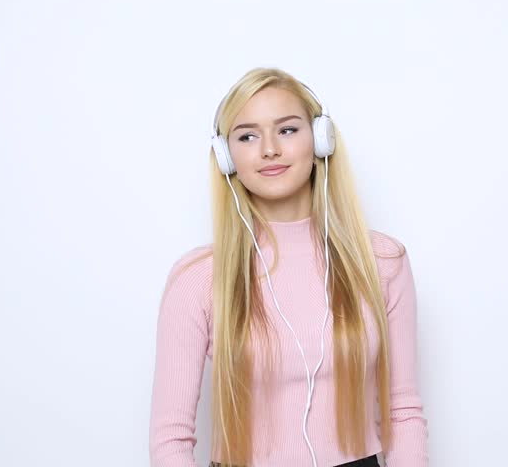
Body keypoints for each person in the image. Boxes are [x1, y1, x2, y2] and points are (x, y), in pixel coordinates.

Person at [148, 67, 429, 467]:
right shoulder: (197, 278)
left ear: (320, 140)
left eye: (287, 130)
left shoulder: (382, 261)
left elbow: (402, 409)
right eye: (247, 136)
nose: (269, 150)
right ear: (228, 158)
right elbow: (170, 437)